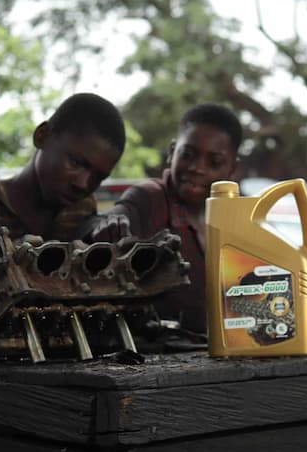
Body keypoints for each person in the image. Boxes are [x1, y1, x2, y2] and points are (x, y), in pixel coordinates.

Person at [0, 92, 128, 344]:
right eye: (77, 162)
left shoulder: (81, 207)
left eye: (99, 177)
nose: (83, 183)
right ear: (42, 136)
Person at [85, 103, 242, 332]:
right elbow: (115, 216)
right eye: (188, 155)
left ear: (232, 169)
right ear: (171, 152)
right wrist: (110, 222)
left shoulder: (236, 217)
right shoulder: (149, 198)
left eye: (214, 162)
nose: (197, 168)